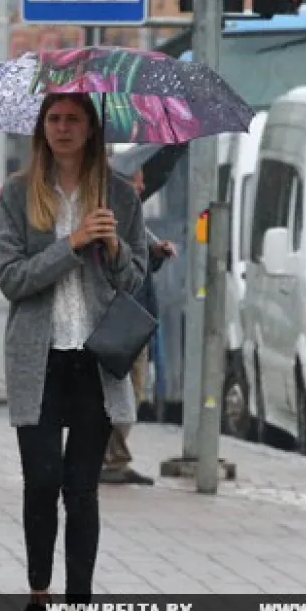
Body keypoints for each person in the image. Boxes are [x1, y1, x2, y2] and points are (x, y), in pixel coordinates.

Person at [0, 93, 147, 611]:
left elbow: (136, 280)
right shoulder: (16, 193)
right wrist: (73, 244)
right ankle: (38, 596)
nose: (62, 128)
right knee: (41, 482)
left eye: (72, 119)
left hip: (95, 361)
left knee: (81, 489)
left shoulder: (120, 196)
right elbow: (11, 278)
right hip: (40, 360)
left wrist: (116, 247)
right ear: (42, 129)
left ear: (89, 129)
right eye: (54, 119)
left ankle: (78, 610)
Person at [101, 168, 178, 485]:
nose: (142, 185)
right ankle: (109, 459)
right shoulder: (110, 216)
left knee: (132, 391)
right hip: (119, 316)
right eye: (136, 179)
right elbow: (118, 263)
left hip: (137, 315)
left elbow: (140, 260)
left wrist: (157, 252)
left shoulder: (133, 219)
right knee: (122, 393)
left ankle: (113, 456)